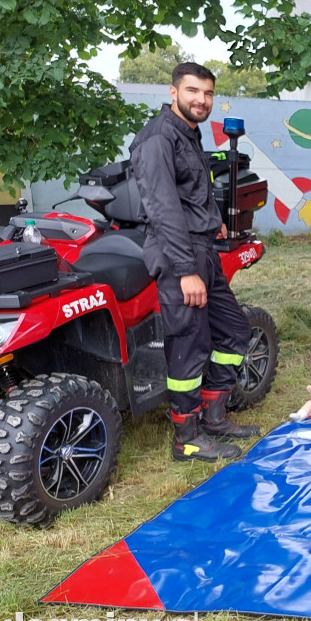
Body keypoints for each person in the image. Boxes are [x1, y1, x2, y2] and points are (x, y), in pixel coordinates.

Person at [129, 62, 259, 463]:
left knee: (235, 331)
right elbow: (164, 210)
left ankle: (214, 415)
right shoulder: (156, 140)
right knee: (189, 344)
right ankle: (186, 437)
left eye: (207, 93)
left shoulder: (188, 133)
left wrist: (213, 220)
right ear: (173, 92)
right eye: (192, 91)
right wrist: (185, 271)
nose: (201, 100)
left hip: (202, 248)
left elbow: (190, 191)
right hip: (176, 254)